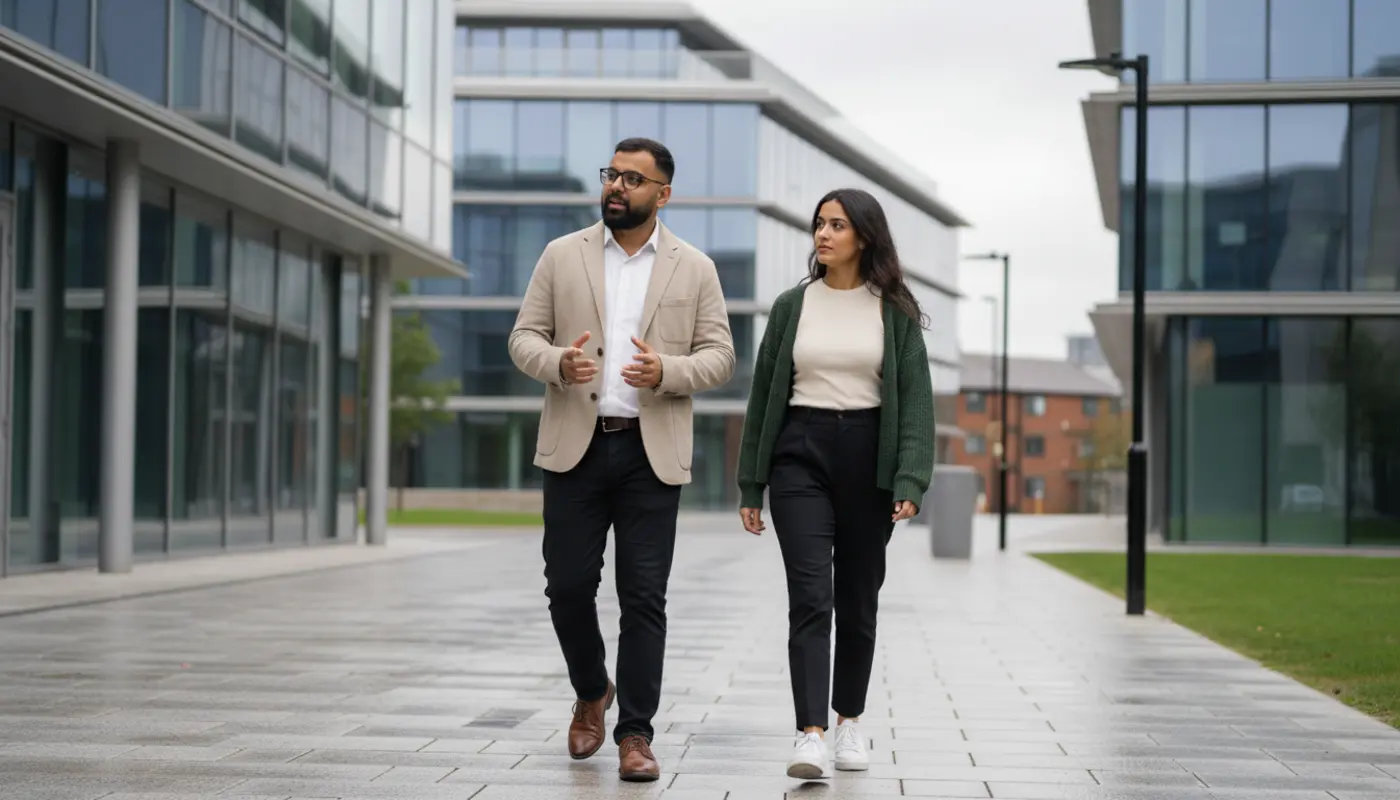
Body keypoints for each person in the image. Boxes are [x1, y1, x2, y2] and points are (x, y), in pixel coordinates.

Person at [508, 137, 735, 782]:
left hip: (650, 452)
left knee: (643, 598)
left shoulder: (696, 267)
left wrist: (668, 371)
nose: (616, 186)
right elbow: (523, 337)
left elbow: (720, 356)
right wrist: (557, 362)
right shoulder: (561, 255)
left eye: (633, 179)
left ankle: (636, 733)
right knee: (567, 587)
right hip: (575, 449)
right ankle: (592, 689)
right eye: (612, 174)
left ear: (663, 194)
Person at [735, 187, 935, 779]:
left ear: (865, 237)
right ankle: (810, 734)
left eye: (837, 225)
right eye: (819, 224)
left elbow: (916, 404)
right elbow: (762, 397)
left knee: (858, 599)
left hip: (869, 459)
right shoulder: (791, 306)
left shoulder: (894, 311)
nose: (822, 234)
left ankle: (849, 722)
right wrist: (751, 484)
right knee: (809, 595)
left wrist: (910, 478)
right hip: (800, 453)